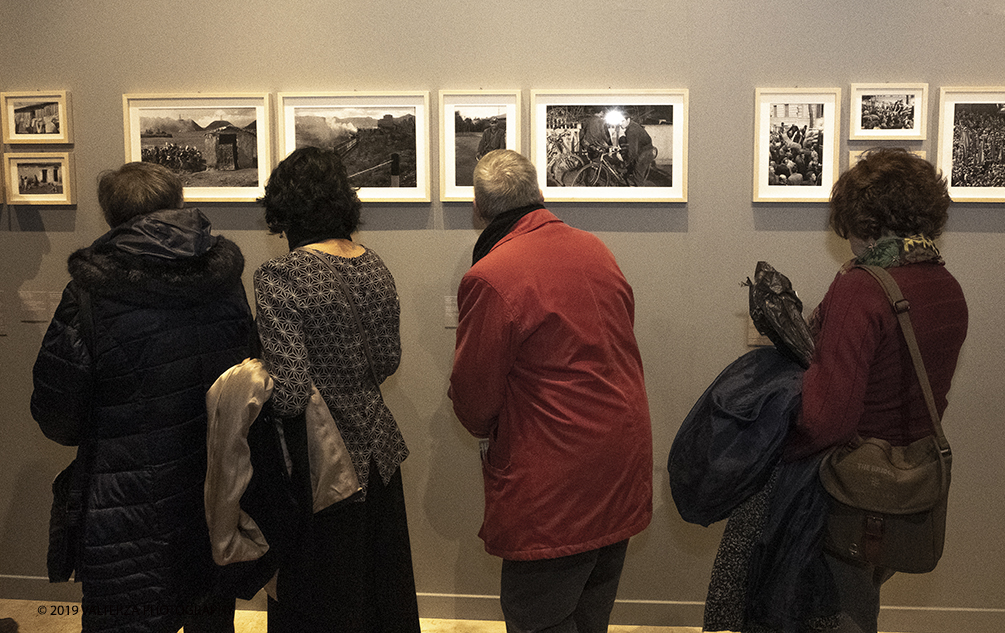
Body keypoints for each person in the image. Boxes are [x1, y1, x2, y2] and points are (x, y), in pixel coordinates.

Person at [31, 161, 253, 632]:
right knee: (209, 619)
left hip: (126, 503)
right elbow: (245, 378)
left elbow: (58, 416)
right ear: (176, 203)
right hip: (211, 491)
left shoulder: (90, 291)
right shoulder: (224, 278)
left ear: (112, 216)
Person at [448, 149, 653, 633]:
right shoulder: (595, 249)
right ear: (539, 194)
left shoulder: (491, 276)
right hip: (620, 458)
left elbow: (474, 399)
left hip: (556, 479)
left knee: (535, 616)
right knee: (590, 612)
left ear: (478, 209)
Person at [787, 148, 969, 632]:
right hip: (903, 484)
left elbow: (829, 416)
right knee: (862, 598)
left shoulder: (863, 288)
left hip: (847, 485)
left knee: (832, 612)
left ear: (864, 220)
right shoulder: (946, 284)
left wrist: (777, 447)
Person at [253, 146, 420, 633]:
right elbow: (388, 362)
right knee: (378, 591)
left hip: (320, 462)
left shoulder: (280, 275)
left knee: (321, 599)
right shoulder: (374, 264)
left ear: (284, 206)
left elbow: (288, 392)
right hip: (378, 452)